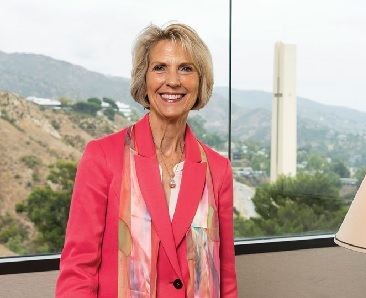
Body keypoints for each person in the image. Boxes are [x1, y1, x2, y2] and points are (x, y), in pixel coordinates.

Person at [56, 22, 238, 297]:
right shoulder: (102, 156)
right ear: (144, 79)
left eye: (186, 68)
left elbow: (225, 277)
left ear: (200, 82)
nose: (173, 81)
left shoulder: (218, 169)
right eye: (160, 67)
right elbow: (78, 270)